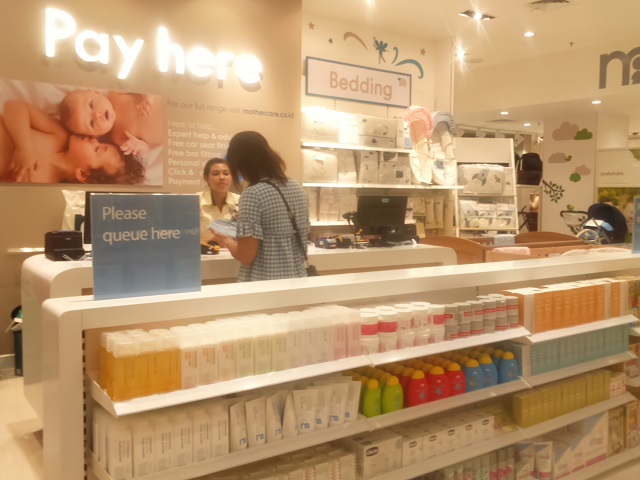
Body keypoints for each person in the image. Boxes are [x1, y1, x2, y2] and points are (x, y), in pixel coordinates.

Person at [209, 131, 311, 282]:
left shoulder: (253, 194)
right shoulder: (297, 188)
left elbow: (246, 256)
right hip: (298, 279)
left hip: (263, 283)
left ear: (241, 164)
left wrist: (227, 240)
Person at [9, 88, 163, 181]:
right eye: (91, 104)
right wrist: (24, 148)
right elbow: (15, 107)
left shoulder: (46, 180)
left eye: (97, 148)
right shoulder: (59, 136)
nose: (94, 140)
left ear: (83, 174)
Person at [199, 157, 240, 244]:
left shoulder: (241, 201)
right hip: (204, 251)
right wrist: (209, 242)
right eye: (216, 174)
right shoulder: (196, 201)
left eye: (226, 173)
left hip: (234, 252)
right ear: (206, 178)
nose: (222, 177)